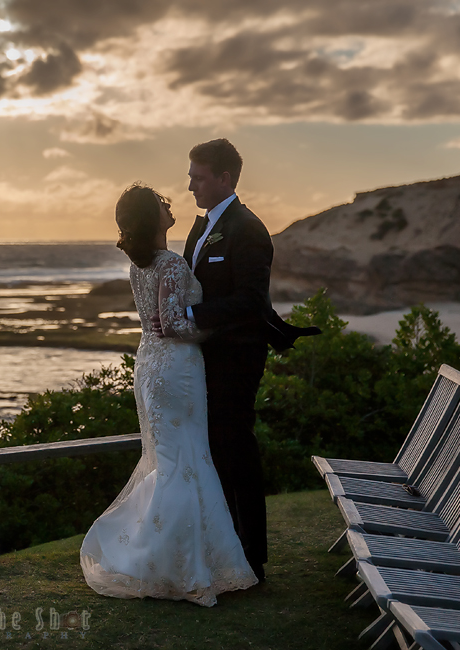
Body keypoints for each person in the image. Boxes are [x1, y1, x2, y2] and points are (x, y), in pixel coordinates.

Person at [80, 183, 259, 607]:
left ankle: (169, 558)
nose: (169, 203)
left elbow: (155, 323)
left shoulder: (138, 267)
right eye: (160, 203)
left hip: (148, 366)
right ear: (152, 219)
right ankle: (182, 566)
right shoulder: (172, 264)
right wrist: (216, 330)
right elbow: (176, 324)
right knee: (185, 460)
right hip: (176, 369)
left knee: (170, 459)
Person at [168, 138, 319, 582]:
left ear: (224, 178)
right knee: (212, 449)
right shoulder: (200, 228)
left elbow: (250, 300)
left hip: (237, 357)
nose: (190, 184)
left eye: (197, 176)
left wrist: (189, 315)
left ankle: (252, 555)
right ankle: (223, 545)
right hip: (203, 356)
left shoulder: (248, 229)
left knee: (236, 448)